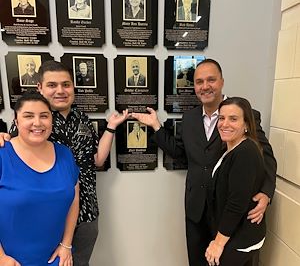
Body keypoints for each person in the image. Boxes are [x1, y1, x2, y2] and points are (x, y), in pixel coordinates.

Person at [131, 58, 276, 266]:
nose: (205, 86)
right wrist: (156, 126)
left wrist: (266, 192)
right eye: (199, 82)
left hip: (230, 212)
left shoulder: (244, 115)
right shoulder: (189, 119)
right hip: (197, 208)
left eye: (211, 80)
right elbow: (180, 153)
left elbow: (265, 155)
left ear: (222, 82)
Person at [0, 61, 129, 266]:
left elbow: (97, 159)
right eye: (52, 85)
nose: (60, 90)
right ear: (39, 88)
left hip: (86, 212)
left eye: (66, 84)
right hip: (50, 215)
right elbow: (12, 149)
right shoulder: (33, 123)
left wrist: (111, 127)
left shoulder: (82, 119)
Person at [0, 91, 79, 266]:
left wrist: (66, 244)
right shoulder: (2, 155)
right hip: (10, 260)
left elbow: (74, 200)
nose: (37, 122)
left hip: (55, 258)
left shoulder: (65, 154)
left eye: (44, 116)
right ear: (16, 121)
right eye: (28, 116)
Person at [205, 97, 266, 266]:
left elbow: (236, 204)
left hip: (239, 240)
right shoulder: (233, 147)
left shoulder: (245, 153)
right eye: (222, 118)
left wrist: (218, 244)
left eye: (233, 119)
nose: (224, 124)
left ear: (246, 124)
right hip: (233, 235)